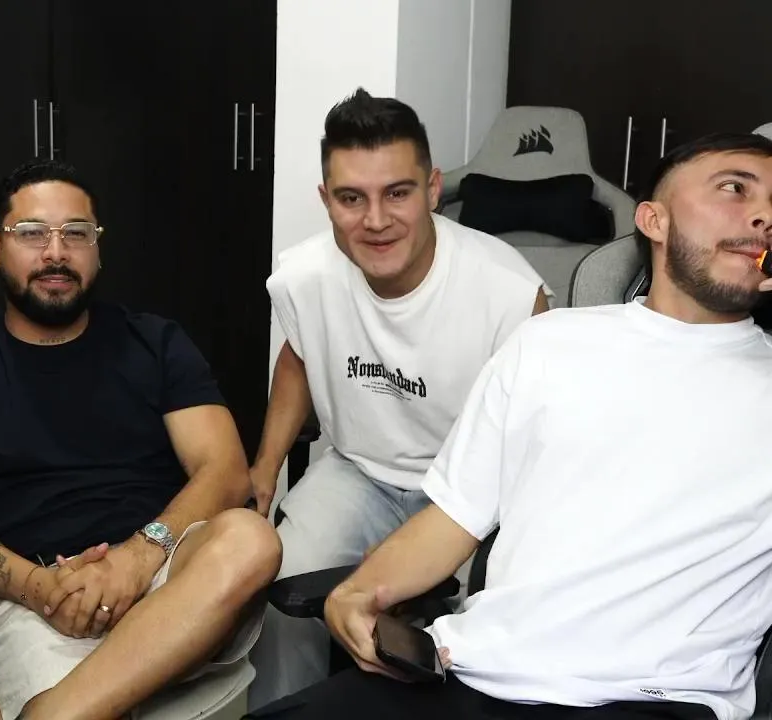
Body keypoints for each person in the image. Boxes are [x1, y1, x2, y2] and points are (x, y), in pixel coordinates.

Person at [248, 132, 772, 720]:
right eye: (735, 189)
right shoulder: (549, 344)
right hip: (473, 673)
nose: (763, 215)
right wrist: (359, 590)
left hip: (649, 698)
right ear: (654, 219)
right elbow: (452, 520)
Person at [0, 159, 283, 720]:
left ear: (97, 250)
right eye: (32, 234)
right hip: (28, 600)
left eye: (76, 234)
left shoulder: (156, 342)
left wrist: (135, 560)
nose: (56, 253)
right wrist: (40, 587)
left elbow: (225, 470)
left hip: (164, 579)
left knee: (251, 538)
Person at [246, 88, 551, 708]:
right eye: (351, 198)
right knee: (277, 583)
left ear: (433, 190)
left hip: (471, 498)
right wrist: (264, 468)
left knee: (473, 637)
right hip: (358, 472)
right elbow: (298, 355)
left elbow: (539, 437)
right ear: (326, 200)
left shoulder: (509, 293)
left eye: (397, 193)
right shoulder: (304, 276)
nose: (376, 220)